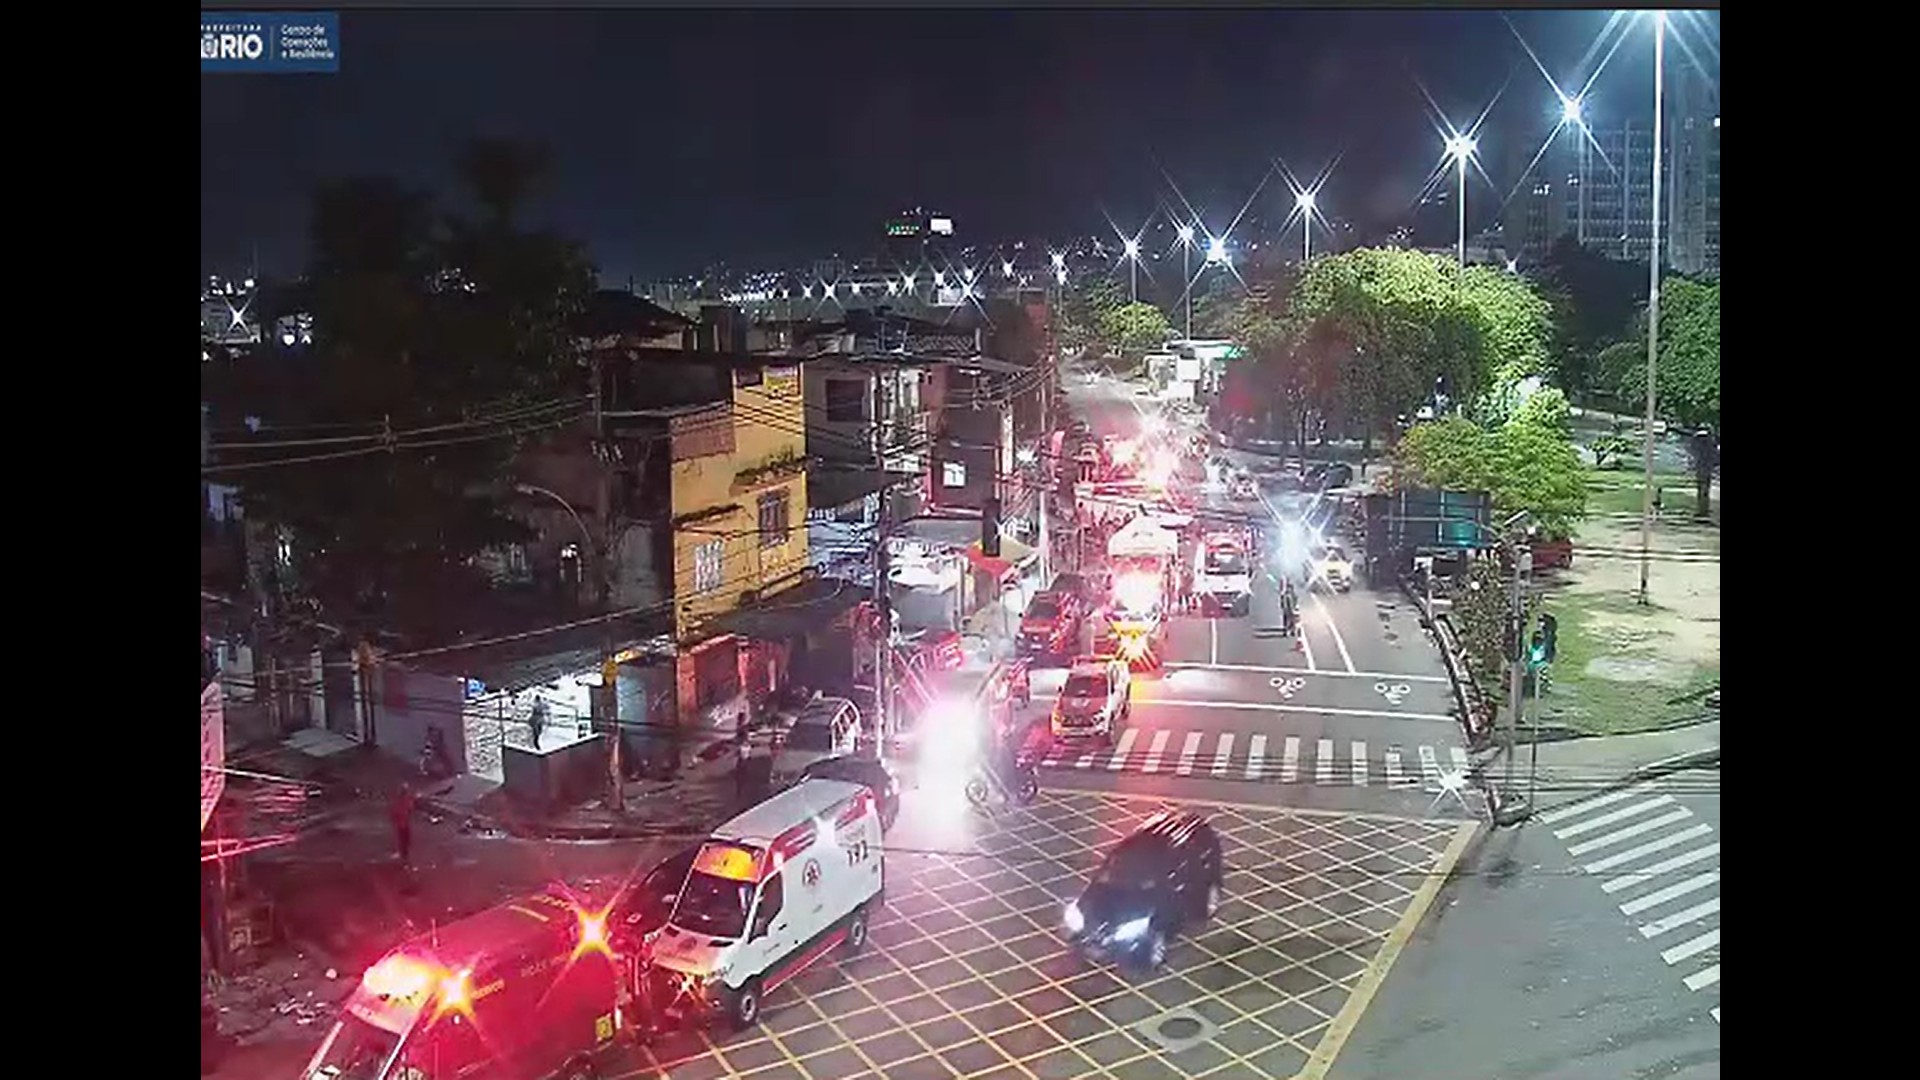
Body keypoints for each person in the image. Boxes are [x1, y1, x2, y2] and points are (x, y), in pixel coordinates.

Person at [390, 783, 418, 867]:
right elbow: (409, 809)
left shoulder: (402, 800)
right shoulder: (404, 801)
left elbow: (409, 810)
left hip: (403, 824)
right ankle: (404, 857)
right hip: (403, 824)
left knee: (404, 841)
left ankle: (404, 856)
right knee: (404, 841)